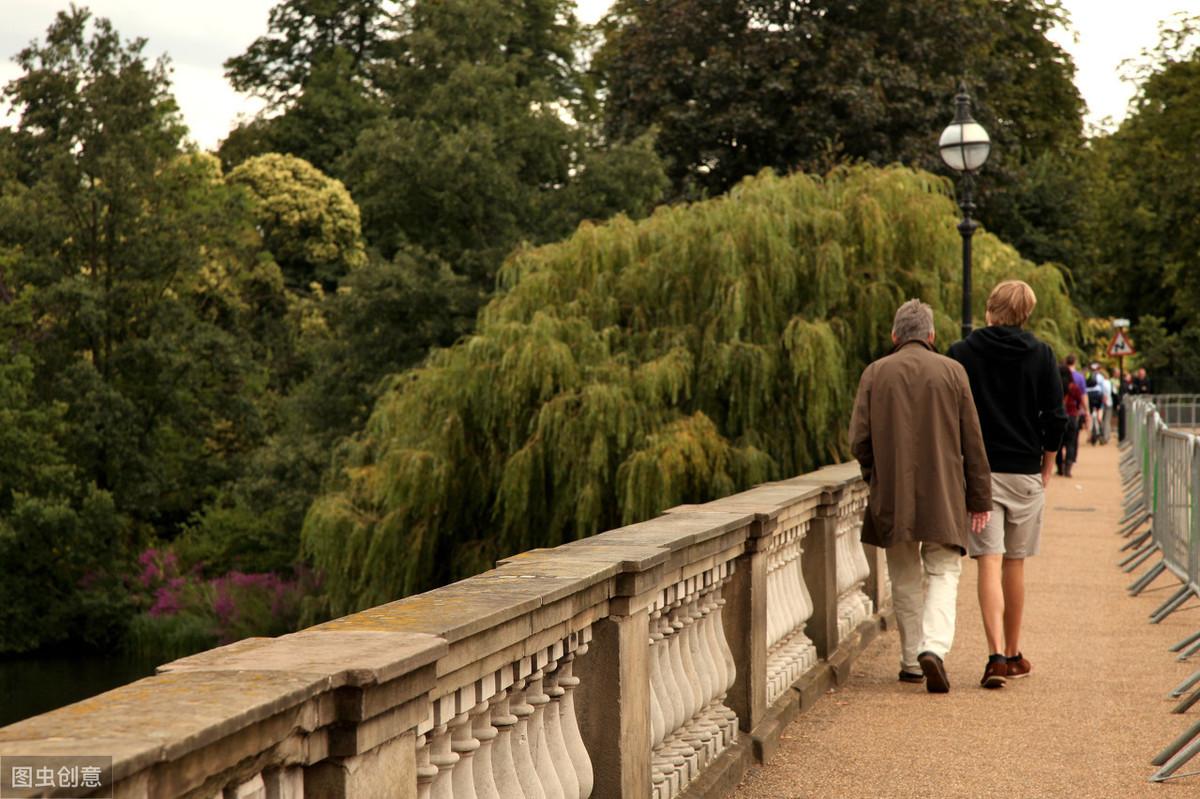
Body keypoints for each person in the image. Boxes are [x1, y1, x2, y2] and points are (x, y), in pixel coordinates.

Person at [849, 299, 992, 694]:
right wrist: (980, 497)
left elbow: (859, 439)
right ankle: (934, 646)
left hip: (892, 492)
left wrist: (874, 475)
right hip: (945, 491)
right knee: (944, 571)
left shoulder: (875, 373)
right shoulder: (953, 371)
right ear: (931, 336)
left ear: (895, 336)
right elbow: (972, 441)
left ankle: (912, 660)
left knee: (905, 575)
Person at [948, 280, 1067, 689]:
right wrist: (1047, 466)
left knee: (988, 561)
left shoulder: (961, 353)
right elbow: (1056, 418)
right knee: (1014, 563)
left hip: (979, 474)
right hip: (1024, 471)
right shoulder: (1041, 354)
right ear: (1026, 313)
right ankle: (1014, 654)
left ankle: (995, 654)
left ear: (989, 309)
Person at [1056, 364, 1089, 477]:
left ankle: (1059, 468)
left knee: (1058, 444)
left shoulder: (1055, 387)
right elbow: (1080, 401)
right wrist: (1083, 411)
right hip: (1071, 417)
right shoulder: (1073, 387)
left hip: (1058, 418)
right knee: (1070, 443)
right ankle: (1068, 469)